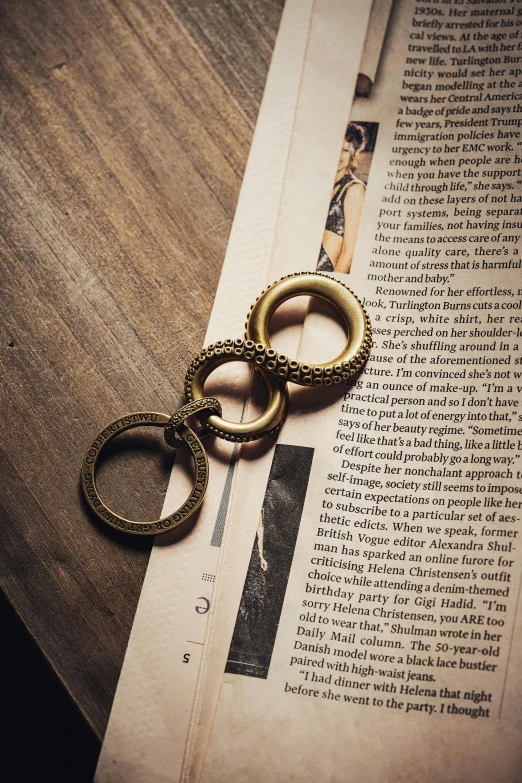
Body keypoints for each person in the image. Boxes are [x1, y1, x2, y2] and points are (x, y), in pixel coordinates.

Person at [317, 123, 368, 274]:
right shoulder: (320, 184)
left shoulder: (354, 189)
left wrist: (331, 291)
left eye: (345, 150)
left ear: (354, 153)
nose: (338, 156)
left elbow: (350, 251)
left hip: (326, 270)